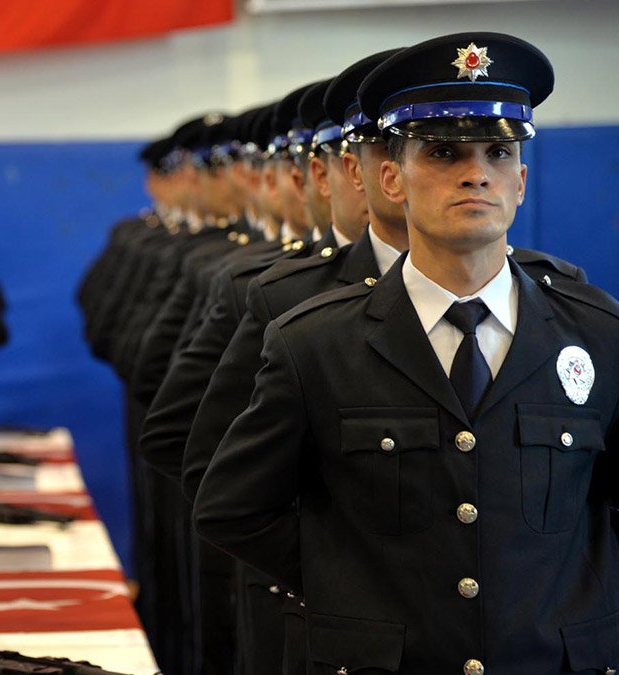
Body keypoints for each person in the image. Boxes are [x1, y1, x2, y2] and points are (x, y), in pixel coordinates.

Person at [194, 32, 619, 673]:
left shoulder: (598, 334)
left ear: (522, 181)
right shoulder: (315, 342)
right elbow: (234, 507)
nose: (476, 172)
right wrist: (354, 586)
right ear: (390, 178)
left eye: (498, 153)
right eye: (445, 152)